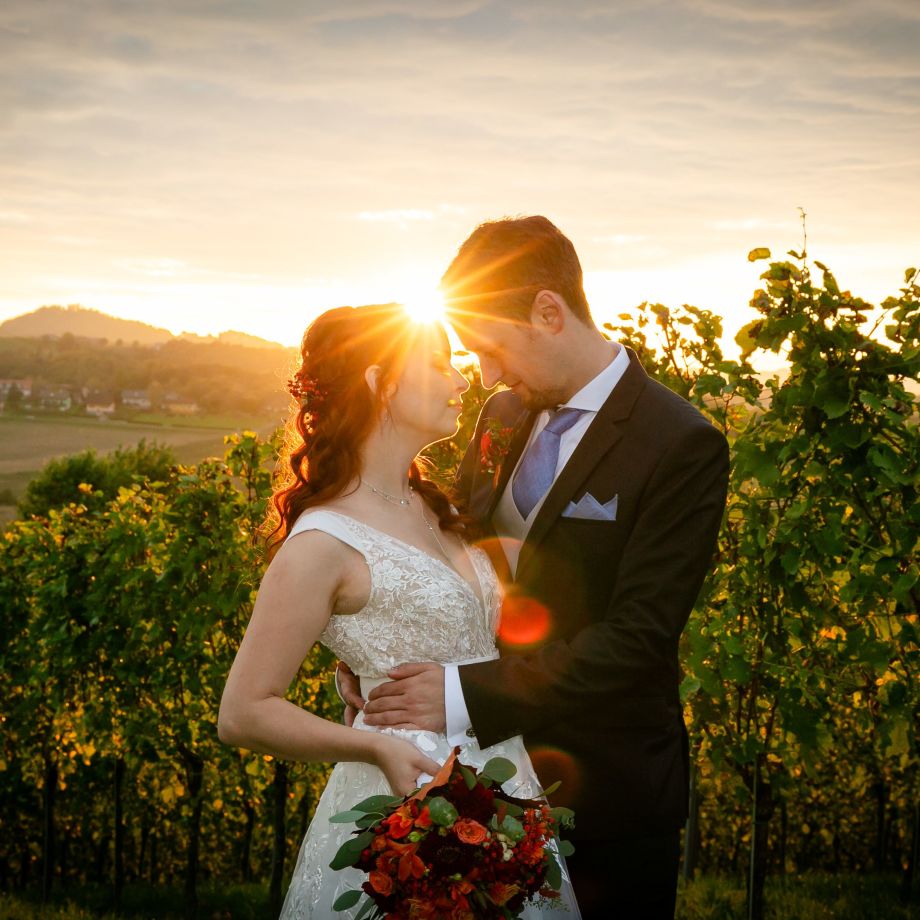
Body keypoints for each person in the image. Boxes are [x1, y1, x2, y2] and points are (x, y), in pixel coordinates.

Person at [341, 217, 730, 918]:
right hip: (476, 788)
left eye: (491, 348)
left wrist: (460, 696)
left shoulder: (680, 445)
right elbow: (446, 556)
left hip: (608, 798)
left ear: (548, 312)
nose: (485, 375)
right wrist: (383, 646)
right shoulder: (502, 415)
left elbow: (637, 641)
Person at [217, 303, 580, 918]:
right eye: (439, 365)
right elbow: (243, 712)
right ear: (378, 383)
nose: (463, 382)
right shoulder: (323, 543)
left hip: (505, 777)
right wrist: (374, 749)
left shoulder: (439, 505)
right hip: (404, 800)